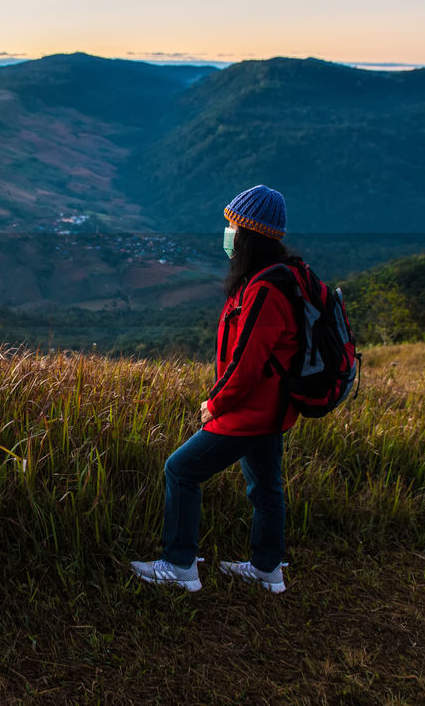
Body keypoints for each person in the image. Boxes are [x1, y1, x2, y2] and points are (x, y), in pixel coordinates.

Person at [130, 184, 302, 594]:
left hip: (251, 410)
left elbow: (246, 363)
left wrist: (215, 404)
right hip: (272, 409)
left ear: (248, 234)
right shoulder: (280, 277)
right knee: (265, 488)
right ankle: (267, 570)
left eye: (232, 225)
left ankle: (179, 566)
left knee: (181, 470)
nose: (227, 232)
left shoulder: (264, 289)